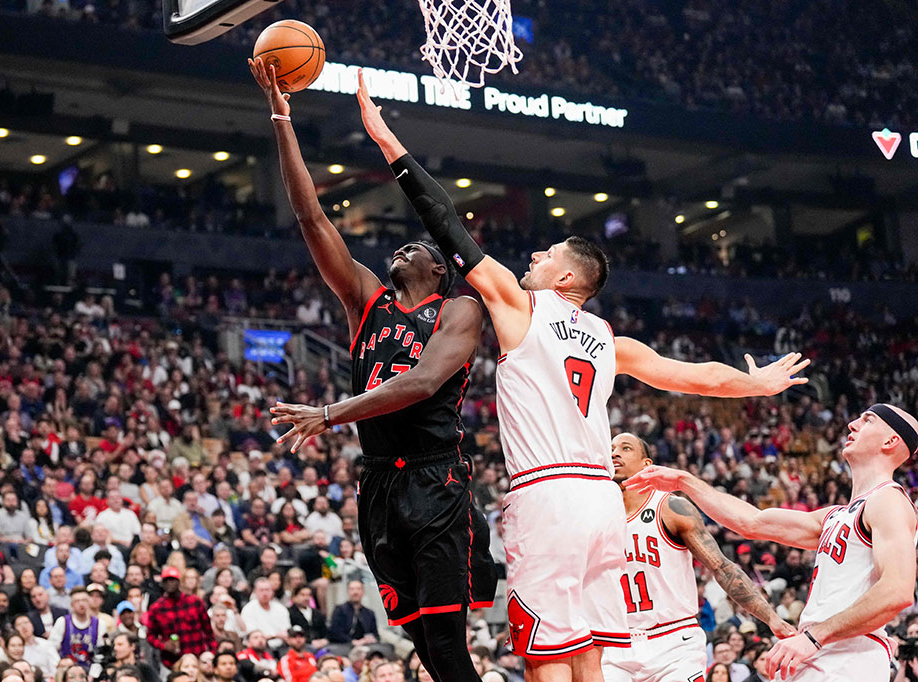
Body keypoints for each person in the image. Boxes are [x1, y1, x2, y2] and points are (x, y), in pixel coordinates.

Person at [351, 71, 809, 682]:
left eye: (548, 256)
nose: (533, 257)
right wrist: (757, 384)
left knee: (544, 659)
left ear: (568, 280)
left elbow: (448, 227)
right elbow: (693, 377)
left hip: (550, 497)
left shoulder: (521, 306)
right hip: (603, 505)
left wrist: (389, 144)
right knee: (591, 655)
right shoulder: (608, 340)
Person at [250, 59, 496, 682]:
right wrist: (282, 117)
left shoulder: (460, 309)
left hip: (436, 478)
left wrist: (329, 414)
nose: (402, 247)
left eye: (419, 247)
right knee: (423, 641)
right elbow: (311, 219)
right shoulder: (366, 298)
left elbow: (418, 384)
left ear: (440, 269)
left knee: (445, 639)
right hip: (379, 485)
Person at [625, 404, 918, 682]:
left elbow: (897, 591)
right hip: (822, 650)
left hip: (849, 653)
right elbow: (751, 522)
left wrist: (814, 637)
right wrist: (684, 481)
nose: (852, 424)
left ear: (891, 440)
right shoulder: (837, 515)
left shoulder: (888, 500)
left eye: (868, 420)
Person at [602, 433, 794, 682]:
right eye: (612, 448)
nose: (615, 453)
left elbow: (722, 567)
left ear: (646, 465)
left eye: (625, 448)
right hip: (617, 643)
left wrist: (771, 618)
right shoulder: (598, 516)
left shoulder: (671, 508)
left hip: (673, 642)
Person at [145, 566, 213, 669]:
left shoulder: (194, 602)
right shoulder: (157, 608)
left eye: (172, 580)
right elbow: (150, 636)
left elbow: (208, 630)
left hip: (197, 657)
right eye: (166, 581)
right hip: (172, 661)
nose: (169, 584)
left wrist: (211, 652)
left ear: (179, 582)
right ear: (162, 584)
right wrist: (164, 645)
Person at [48, 587, 108, 671]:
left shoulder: (99, 624)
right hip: (67, 670)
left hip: (90, 670)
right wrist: (59, 663)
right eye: (77, 601)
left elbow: (101, 652)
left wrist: (93, 674)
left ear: (89, 602)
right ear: (72, 605)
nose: (81, 604)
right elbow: (51, 647)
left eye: (84, 600)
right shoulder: (63, 622)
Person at [240, 579, 290, 649]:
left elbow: (286, 631)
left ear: (272, 592)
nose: (265, 593)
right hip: (259, 647)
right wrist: (274, 636)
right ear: (255, 592)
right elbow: (252, 635)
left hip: (281, 647)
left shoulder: (281, 609)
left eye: (267, 590)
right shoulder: (248, 609)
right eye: (261, 590)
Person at [328, 581, 378, 647]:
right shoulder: (339, 610)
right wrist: (353, 642)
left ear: (363, 591)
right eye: (352, 589)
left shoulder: (369, 613)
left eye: (358, 589)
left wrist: (369, 639)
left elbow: (375, 634)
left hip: (366, 646)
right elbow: (335, 633)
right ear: (348, 591)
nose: (355, 592)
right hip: (344, 646)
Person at [288, 586, 328, 651]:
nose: (306, 598)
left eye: (308, 595)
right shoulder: (289, 612)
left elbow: (324, 630)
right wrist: (309, 641)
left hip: (320, 644)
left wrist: (324, 640)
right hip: (301, 646)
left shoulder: (316, 613)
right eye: (302, 595)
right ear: (294, 597)